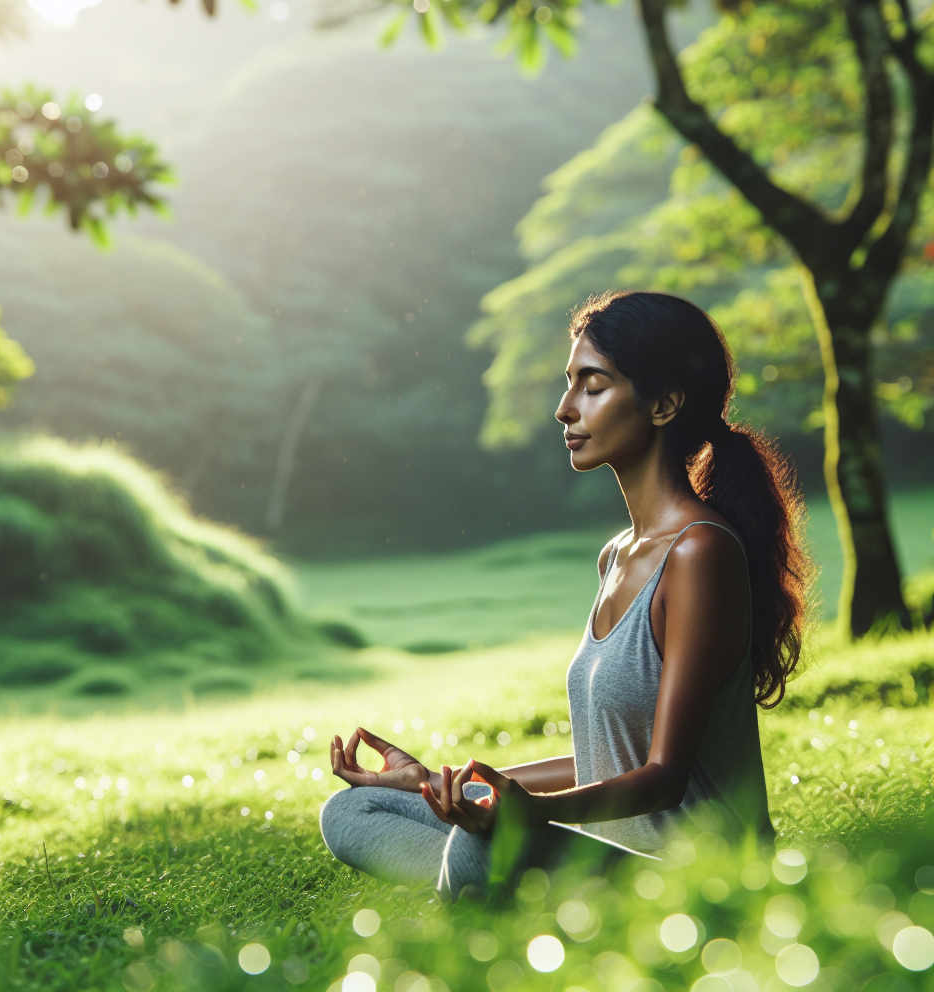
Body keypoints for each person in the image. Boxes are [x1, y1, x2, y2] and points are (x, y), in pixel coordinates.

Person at [319, 290, 812, 900]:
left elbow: (661, 778)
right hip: (604, 854)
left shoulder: (699, 553)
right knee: (350, 813)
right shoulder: (615, 556)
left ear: (662, 404)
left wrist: (528, 815)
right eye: (569, 383)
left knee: (483, 844)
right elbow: (606, 759)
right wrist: (443, 783)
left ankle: (484, 895)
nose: (563, 409)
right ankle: (498, 889)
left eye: (592, 385)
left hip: (697, 879)